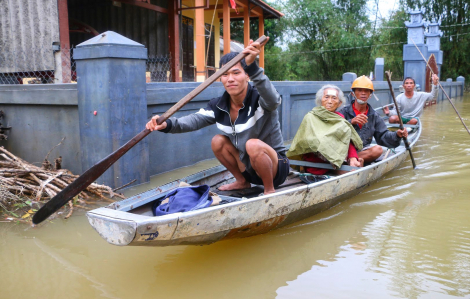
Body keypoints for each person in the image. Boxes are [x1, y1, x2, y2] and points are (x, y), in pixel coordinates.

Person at [146, 39, 289, 195]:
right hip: (249, 169)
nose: (230, 79)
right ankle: (242, 181)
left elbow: (274, 100)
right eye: (225, 74)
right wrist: (166, 124)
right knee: (218, 141)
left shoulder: (260, 99)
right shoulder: (219, 105)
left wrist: (253, 67)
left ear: (247, 76)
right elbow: (192, 121)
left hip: (276, 170)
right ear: (220, 78)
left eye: (236, 73)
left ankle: (269, 191)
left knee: (252, 144)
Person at [287, 84, 363, 176]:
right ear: (320, 100)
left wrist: (352, 157)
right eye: (326, 97)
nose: (329, 101)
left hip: (336, 162)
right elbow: (305, 141)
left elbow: (347, 139)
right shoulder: (310, 117)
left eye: (334, 98)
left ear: (339, 103)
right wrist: (328, 150)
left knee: (354, 171)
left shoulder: (340, 118)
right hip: (316, 165)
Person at [339, 76, 408, 164]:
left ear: (370, 94)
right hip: (343, 151)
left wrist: (397, 135)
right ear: (353, 93)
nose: (363, 93)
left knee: (377, 150)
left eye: (366, 91)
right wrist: (351, 122)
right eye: (359, 90)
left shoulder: (374, 115)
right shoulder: (343, 112)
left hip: (363, 152)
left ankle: (351, 161)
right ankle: (350, 160)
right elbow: (335, 130)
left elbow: (383, 136)